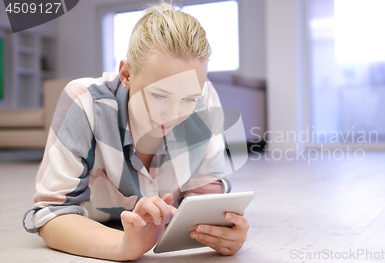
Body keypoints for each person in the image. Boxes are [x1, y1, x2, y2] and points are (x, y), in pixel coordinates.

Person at [22, 1, 249, 261]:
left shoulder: (203, 96)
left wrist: (220, 231)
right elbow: (53, 214)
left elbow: (204, 197)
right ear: (126, 74)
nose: (174, 114)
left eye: (188, 99)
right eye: (159, 95)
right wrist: (122, 246)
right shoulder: (84, 102)